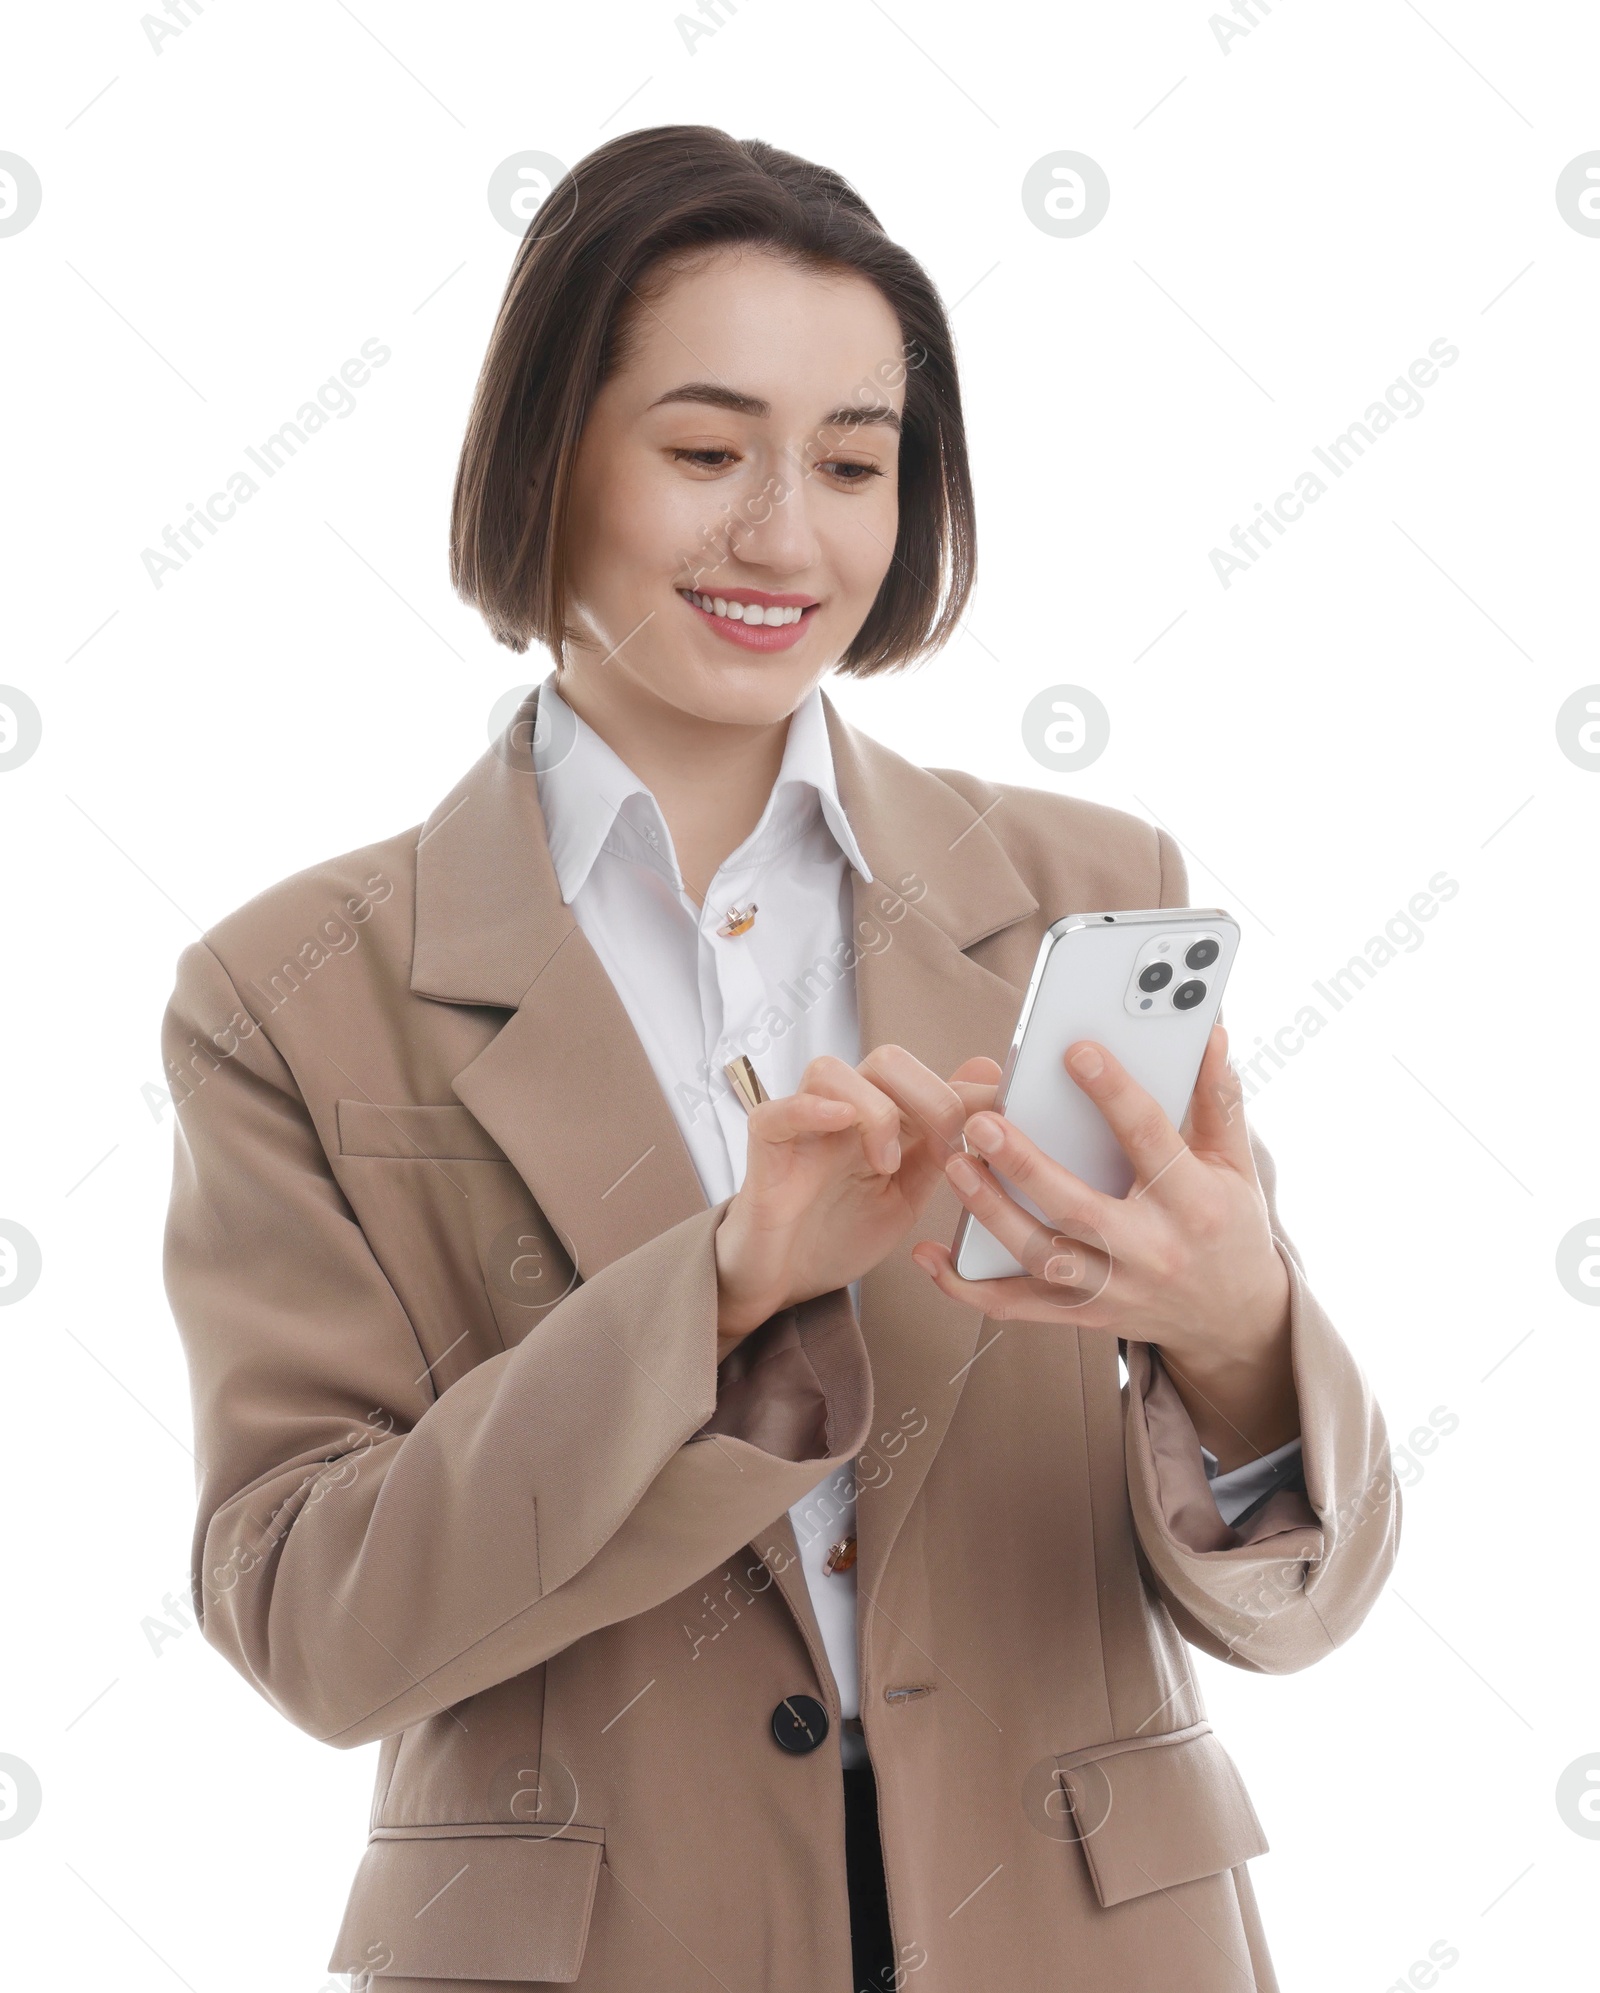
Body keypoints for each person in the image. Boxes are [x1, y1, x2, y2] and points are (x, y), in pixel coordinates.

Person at [161, 126, 1399, 1993]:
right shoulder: (296, 988)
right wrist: (724, 1283)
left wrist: (1238, 1332)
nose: (787, 535)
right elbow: (316, 1628)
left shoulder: (1085, 891)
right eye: (705, 450)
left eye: (851, 461)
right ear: (545, 461)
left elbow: (1302, 1608)